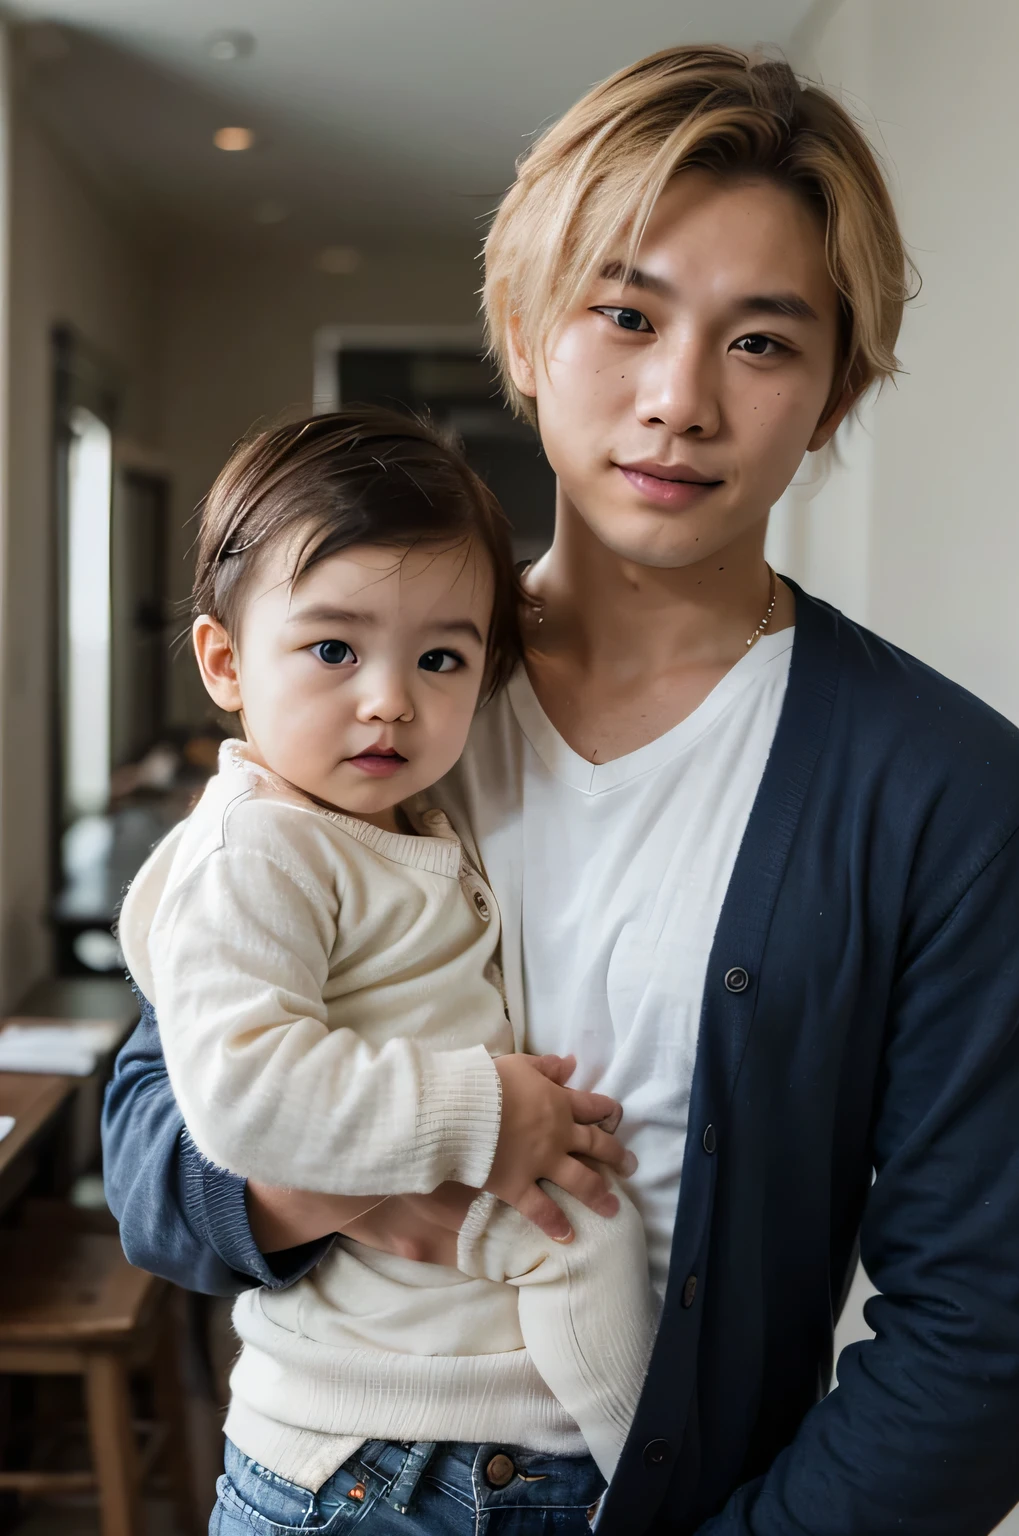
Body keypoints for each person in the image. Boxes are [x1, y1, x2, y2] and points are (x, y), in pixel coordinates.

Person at [103, 44, 1019, 1536]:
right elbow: (155, 1152)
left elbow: (984, 1335)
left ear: (834, 393)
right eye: (625, 314)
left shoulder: (944, 793)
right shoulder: (374, 712)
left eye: (763, 343)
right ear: (525, 336)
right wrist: (361, 1174)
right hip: (330, 1481)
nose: (679, 401)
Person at [116, 405, 654, 1489]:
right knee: (588, 1243)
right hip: (363, 1451)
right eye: (330, 648)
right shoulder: (260, 849)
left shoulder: (403, 821)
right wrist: (484, 1115)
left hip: (445, 1415)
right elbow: (236, 1098)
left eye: (442, 658)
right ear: (223, 662)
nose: (389, 702)